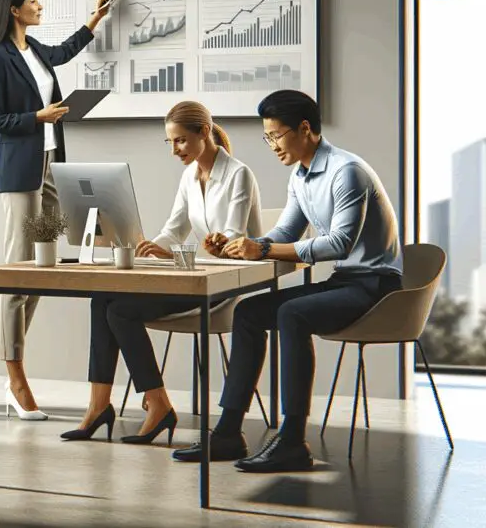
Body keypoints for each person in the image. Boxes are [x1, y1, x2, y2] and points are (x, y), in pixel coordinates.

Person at [172, 90, 403, 473]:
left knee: (292, 314)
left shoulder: (346, 171)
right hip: (345, 281)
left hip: (377, 287)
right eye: (267, 138)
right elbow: (286, 233)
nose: (273, 145)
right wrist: (240, 247)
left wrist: (262, 250)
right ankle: (228, 433)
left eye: (276, 135)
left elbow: (339, 244)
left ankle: (293, 441)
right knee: (248, 312)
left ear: (305, 128)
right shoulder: (300, 176)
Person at [63, 101, 262, 445]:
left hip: (224, 284)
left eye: (180, 140)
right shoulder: (189, 176)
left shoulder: (238, 174)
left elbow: (231, 238)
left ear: (204, 132)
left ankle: (158, 405)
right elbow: (174, 230)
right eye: (170, 142)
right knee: (102, 297)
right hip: (192, 278)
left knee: (120, 311)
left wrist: (189, 251)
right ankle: (98, 406)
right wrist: (149, 246)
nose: (174, 150)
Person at [0, 0, 112, 420]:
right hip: (21, 172)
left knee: (43, 265)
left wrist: (95, 19)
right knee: (19, 267)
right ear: (14, 9)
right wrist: (37, 116)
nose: (40, 5)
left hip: (51, 166)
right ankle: (14, 375)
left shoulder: (34, 50)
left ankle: (14, 367)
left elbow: (64, 52)